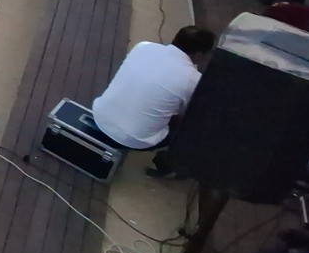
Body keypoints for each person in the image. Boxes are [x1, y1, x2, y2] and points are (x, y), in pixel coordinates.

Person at [89, 27, 218, 175]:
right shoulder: (192, 79)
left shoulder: (143, 46)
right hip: (134, 139)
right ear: (199, 54)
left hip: (100, 115)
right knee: (194, 125)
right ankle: (166, 165)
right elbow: (187, 113)